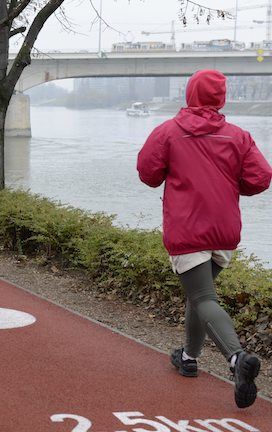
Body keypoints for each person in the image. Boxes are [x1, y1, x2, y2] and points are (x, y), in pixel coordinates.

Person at [137, 69, 272, 408]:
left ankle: (237, 358)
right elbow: (260, 178)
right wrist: (226, 185)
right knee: (198, 295)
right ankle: (189, 357)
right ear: (221, 98)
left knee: (201, 296)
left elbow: (148, 173)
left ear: (189, 94)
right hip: (224, 230)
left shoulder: (168, 132)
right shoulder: (238, 136)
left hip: (188, 228)